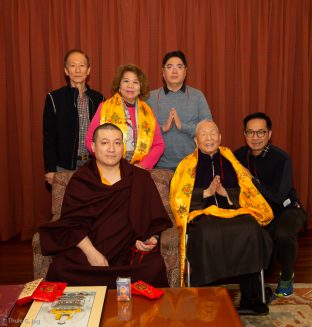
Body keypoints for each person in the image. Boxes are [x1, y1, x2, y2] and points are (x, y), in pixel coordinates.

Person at [39, 123, 172, 288]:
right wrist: (91, 253)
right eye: (105, 143)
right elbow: (71, 223)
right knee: (60, 268)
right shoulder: (81, 179)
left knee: (154, 267)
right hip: (90, 246)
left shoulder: (140, 178)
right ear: (93, 147)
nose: (112, 149)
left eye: (117, 143)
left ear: (122, 147)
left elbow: (156, 219)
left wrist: (152, 239)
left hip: (127, 249)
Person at [170, 119, 273, 315]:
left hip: (233, 211)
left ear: (220, 137)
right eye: (203, 134)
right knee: (208, 233)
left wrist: (226, 193)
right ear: (196, 140)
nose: (209, 138)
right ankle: (208, 298)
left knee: (250, 229)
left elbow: (247, 190)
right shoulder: (186, 165)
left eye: (212, 134)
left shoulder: (231, 160)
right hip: (202, 214)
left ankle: (251, 297)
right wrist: (206, 193)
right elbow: (178, 199)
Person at [234, 112, 307, 297]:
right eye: (250, 132)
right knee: (249, 237)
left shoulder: (281, 158)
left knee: (283, 234)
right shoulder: (239, 156)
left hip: (287, 209)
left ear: (269, 134)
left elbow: (278, 196)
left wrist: (252, 180)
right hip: (258, 211)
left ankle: (287, 276)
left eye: (260, 133)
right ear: (244, 134)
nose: (255, 138)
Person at [85, 64, 164, 169]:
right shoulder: (105, 108)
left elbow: (159, 145)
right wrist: (105, 159)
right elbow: (89, 140)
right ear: (119, 86)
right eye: (126, 81)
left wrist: (143, 165)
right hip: (109, 167)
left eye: (135, 82)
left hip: (138, 169)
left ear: (141, 88)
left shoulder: (148, 113)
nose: (130, 86)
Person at [43, 49, 104, 185]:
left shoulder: (99, 98)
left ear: (88, 70)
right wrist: (50, 169)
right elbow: (49, 138)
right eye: (72, 66)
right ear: (66, 71)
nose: (77, 70)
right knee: (65, 206)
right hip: (64, 166)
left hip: (94, 166)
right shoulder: (54, 98)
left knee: (93, 206)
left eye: (82, 66)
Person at [148, 50, 212, 170]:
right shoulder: (150, 98)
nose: (174, 71)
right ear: (162, 72)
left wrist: (182, 126)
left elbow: (208, 131)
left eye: (179, 66)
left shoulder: (197, 96)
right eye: (169, 66)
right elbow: (142, 132)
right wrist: (163, 128)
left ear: (185, 71)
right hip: (159, 167)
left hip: (193, 166)